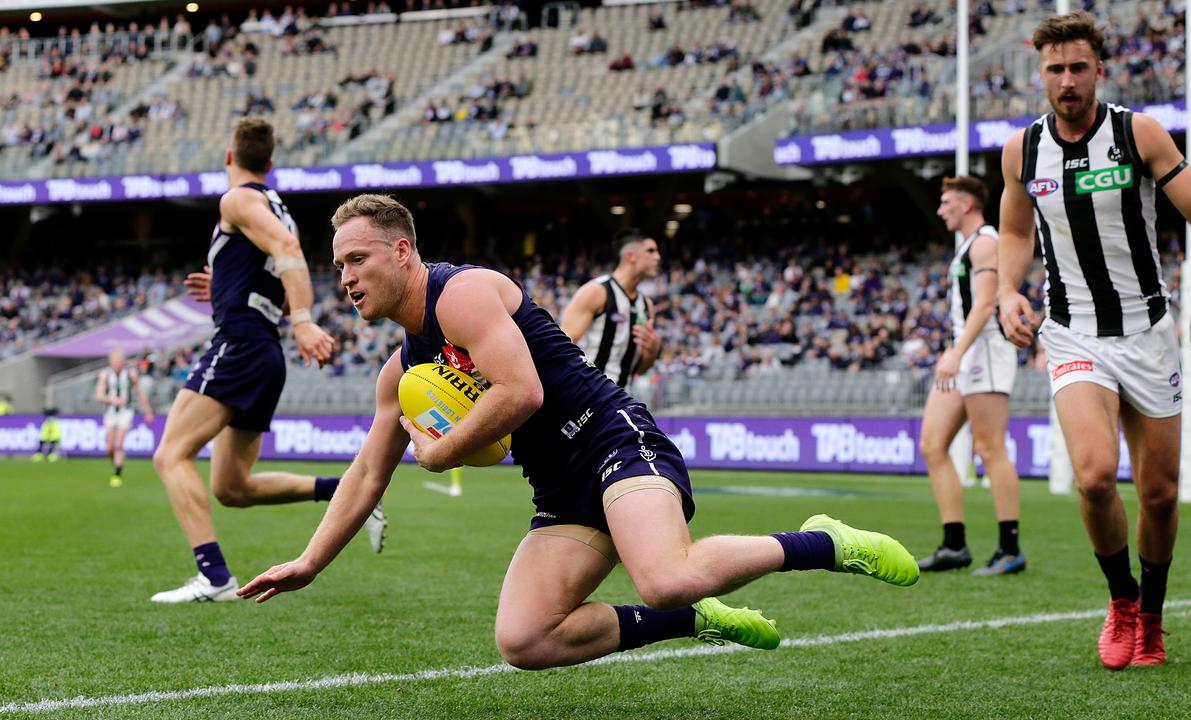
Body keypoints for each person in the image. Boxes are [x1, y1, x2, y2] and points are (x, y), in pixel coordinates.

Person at [237, 195, 920, 669]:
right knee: (525, 640)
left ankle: (828, 542)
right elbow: (365, 474)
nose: (346, 278)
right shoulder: (398, 370)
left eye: (357, 259)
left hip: (612, 440)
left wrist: (442, 450)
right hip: (560, 489)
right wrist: (310, 562)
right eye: (338, 267)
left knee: (664, 577)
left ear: (402, 250)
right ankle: (695, 623)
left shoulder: (464, 293)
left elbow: (523, 391)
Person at [996, 12, 1191, 669]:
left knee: (1158, 493)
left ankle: (1152, 619)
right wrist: (1006, 292)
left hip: (1149, 334)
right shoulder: (1022, 151)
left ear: (1099, 69)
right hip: (1073, 333)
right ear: (1039, 74)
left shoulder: (1138, 133)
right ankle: (1122, 602)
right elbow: (1014, 234)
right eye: (1055, 70)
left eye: (1078, 68)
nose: (1067, 81)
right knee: (1096, 476)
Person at [150, 119, 385, 604]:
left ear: (229, 159)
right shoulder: (279, 209)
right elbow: (276, 273)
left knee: (170, 454)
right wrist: (226, 288)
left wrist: (302, 320)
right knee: (233, 487)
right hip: (261, 350)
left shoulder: (236, 200)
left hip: (239, 343)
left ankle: (214, 576)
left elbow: (286, 250)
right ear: (271, 164)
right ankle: (345, 490)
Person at [917, 176, 1024, 576]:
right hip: (964, 353)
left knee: (989, 447)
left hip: (985, 351)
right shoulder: (968, 246)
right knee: (933, 444)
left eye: (946, 202)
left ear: (965, 204)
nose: (941, 209)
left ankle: (1010, 548)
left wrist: (955, 352)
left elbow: (984, 307)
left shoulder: (984, 242)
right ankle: (954, 544)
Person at [560, 228, 662, 389]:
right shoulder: (596, 291)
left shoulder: (646, 305)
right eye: (651, 251)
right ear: (630, 256)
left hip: (622, 396)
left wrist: (652, 352)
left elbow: (639, 369)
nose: (658, 257)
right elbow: (562, 346)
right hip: (588, 393)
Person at [96, 348, 154, 488]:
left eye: (119, 361)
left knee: (119, 444)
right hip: (110, 412)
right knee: (109, 448)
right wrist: (112, 400)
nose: (117, 364)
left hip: (126, 412)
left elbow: (139, 391)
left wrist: (148, 411)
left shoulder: (130, 373)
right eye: (114, 362)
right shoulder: (105, 374)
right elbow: (99, 396)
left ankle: (117, 472)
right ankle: (116, 463)